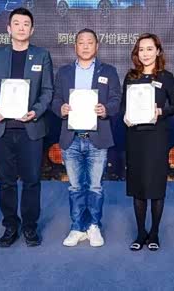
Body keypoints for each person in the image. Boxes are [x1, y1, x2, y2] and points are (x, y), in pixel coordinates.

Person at [0, 8, 53, 247]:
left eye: (26, 24)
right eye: (17, 23)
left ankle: (30, 227)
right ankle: (10, 226)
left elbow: (48, 90)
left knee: (32, 180)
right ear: (8, 28)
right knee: (6, 181)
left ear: (32, 30)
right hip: (2, 129)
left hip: (30, 129)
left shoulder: (42, 56)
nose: (21, 27)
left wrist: (36, 111)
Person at [51, 29, 121, 247]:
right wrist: (60, 108)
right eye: (81, 42)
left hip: (97, 138)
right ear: (75, 46)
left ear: (96, 46)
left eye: (90, 42)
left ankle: (93, 226)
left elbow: (116, 99)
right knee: (75, 187)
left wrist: (106, 109)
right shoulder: (64, 72)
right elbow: (55, 99)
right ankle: (77, 227)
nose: (85, 46)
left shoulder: (108, 71)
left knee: (95, 187)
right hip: (71, 138)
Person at [122, 34, 174, 251]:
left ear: (158, 51)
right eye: (141, 49)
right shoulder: (131, 76)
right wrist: (125, 116)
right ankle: (140, 233)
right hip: (135, 137)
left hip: (157, 137)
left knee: (155, 187)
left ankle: (154, 233)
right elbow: (123, 106)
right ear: (136, 53)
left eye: (149, 49)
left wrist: (161, 111)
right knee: (138, 187)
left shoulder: (166, 77)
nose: (145, 53)